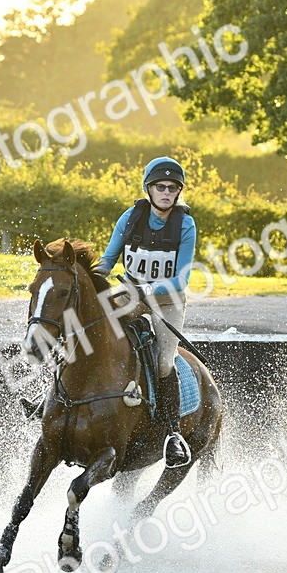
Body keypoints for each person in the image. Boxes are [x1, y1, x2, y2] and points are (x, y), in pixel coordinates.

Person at [96, 156, 196, 468]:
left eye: (172, 188)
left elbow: (182, 278)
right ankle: (50, 401)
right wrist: (90, 278)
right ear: (149, 189)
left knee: (164, 362)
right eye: (160, 187)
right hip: (130, 293)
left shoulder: (185, 224)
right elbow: (109, 258)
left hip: (168, 301)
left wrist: (149, 290)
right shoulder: (131, 217)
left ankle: (172, 435)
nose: (166, 192)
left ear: (177, 193)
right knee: (88, 328)